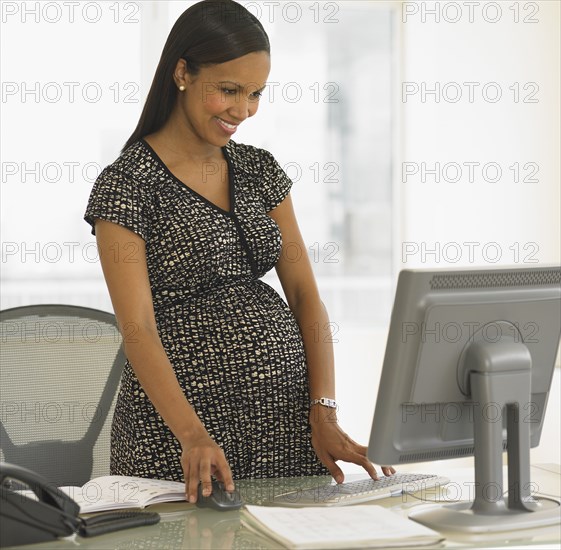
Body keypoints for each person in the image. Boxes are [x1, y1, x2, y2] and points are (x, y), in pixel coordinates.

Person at [84, 0, 393, 503]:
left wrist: (324, 410)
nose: (243, 110)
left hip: (285, 429)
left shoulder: (259, 169)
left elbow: (305, 296)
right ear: (182, 72)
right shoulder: (126, 185)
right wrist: (192, 434)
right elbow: (137, 325)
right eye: (228, 90)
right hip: (180, 441)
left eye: (254, 94)